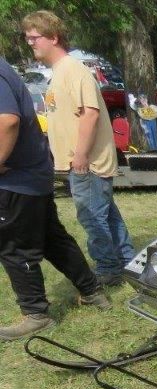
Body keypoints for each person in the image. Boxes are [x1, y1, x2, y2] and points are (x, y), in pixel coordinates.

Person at [0, 55, 110, 341]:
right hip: (32, 174)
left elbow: (7, 121)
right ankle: (92, 291)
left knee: (14, 246)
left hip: (16, 179)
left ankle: (36, 314)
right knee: (51, 238)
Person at [23, 10, 135, 287]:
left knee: (90, 216)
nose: (30, 43)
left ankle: (108, 269)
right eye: (27, 39)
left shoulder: (74, 70)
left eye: (34, 38)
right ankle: (127, 260)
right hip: (80, 160)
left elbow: (90, 113)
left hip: (88, 160)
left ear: (54, 37)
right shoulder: (59, 72)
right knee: (105, 212)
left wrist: (81, 155)